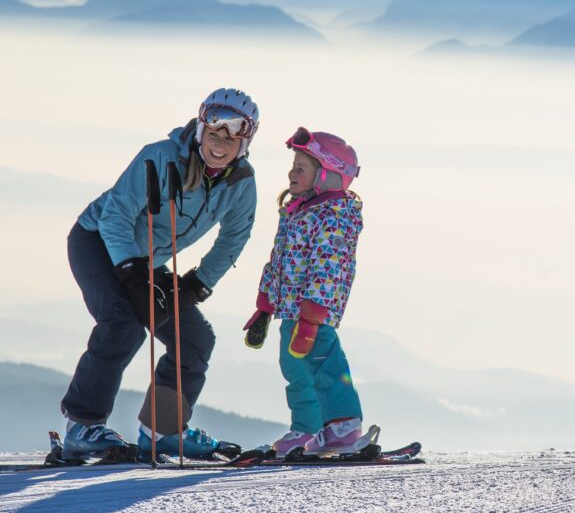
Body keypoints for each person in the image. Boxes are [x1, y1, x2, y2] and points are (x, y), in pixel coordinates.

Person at [59, 88, 259, 460]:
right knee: (124, 324)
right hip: (96, 242)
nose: (220, 144)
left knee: (194, 339)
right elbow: (115, 215)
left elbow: (235, 236)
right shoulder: (160, 158)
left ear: (246, 143)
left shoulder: (241, 183)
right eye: (214, 133)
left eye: (233, 138)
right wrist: (132, 274)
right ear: (200, 130)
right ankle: (81, 426)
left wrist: (197, 286)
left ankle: (163, 431)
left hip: (146, 259)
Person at [244, 126, 366, 457]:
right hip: (290, 309)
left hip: (315, 310)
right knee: (295, 367)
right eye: (292, 166)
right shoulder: (297, 211)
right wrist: (265, 306)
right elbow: (279, 260)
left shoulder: (334, 217)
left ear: (327, 175)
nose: (291, 173)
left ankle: (343, 424)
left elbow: (328, 268)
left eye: (301, 168)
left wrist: (313, 314)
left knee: (323, 361)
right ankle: (308, 428)